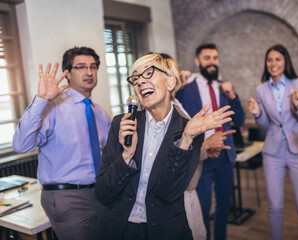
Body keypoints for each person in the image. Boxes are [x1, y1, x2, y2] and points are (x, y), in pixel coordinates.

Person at [94, 53, 234, 240]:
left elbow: (167, 193)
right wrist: (126, 156)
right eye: (135, 78)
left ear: (170, 82)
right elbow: (103, 192)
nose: (140, 82)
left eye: (148, 73)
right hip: (118, 229)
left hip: (164, 231)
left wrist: (185, 141)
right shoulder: (123, 124)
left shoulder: (189, 130)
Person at [12, 47, 111, 240]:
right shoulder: (52, 107)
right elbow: (21, 146)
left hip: (99, 193)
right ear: (67, 73)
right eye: (81, 67)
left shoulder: (100, 113)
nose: (89, 72)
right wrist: (41, 100)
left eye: (93, 67)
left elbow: (109, 154)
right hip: (67, 197)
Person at [247, 44, 298, 240]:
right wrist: (257, 113)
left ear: (285, 61)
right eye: (269, 60)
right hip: (273, 152)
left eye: (278, 59)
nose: (273, 63)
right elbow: (264, 124)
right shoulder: (261, 89)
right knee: (275, 207)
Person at [176, 43, 245, 240]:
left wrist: (233, 96)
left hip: (225, 155)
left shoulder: (224, 88)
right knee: (203, 206)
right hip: (201, 157)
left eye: (215, 58)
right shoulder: (186, 90)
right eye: (207, 58)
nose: (212, 62)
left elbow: (239, 120)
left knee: (224, 204)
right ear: (198, 61)